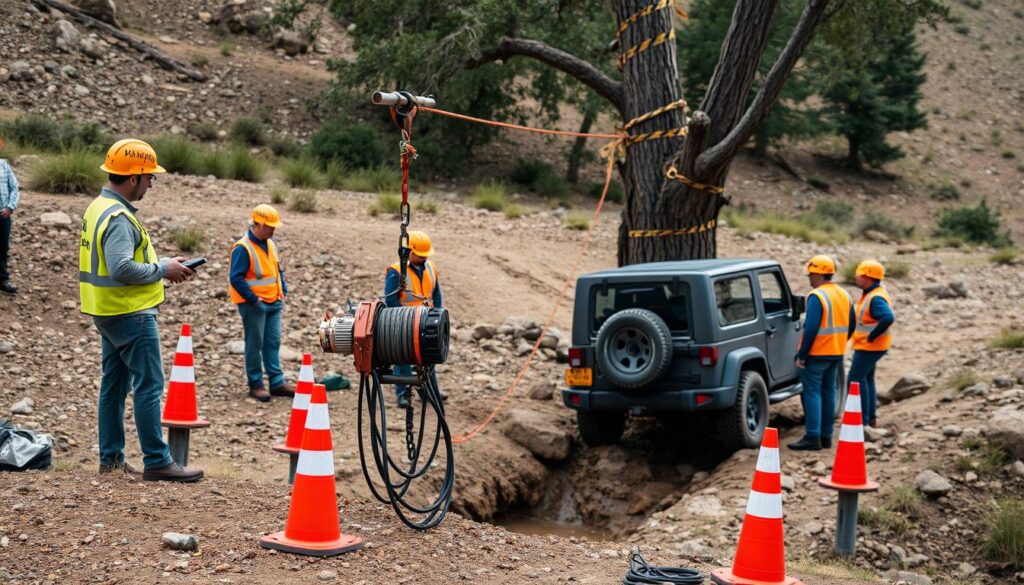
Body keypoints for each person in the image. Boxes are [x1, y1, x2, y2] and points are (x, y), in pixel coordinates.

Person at [79, 139, 202, 481]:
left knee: (114, 385)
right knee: (148, 384)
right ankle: (157, 461)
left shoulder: (98, 207)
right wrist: (163, 269)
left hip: (106, 311)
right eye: (150, 177)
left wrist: (162, 264)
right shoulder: (119, 217)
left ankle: (112, 459)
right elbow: (120, 267)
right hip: (130, 312)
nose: (151, 184)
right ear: (133, 178)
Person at [229, 205, 294, 402]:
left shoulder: (271, 243)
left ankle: (277, 382)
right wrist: (253, 299)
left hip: (274, 301)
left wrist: (282, 287)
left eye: (273, 227)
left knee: (272, 342)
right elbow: (236, 277)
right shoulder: (243, 247)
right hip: (255, 305)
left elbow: (276, 268)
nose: (272, 230)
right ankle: (255, 384)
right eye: (268, 226)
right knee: (254, 344)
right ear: (256, 224)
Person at [790, 255, 854, 451]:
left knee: (812, 393)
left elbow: (810, 328)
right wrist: (841, 341)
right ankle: (826, 437)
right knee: (829, 392)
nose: (809, 278)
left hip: (817, 354)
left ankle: (812, 437)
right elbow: (852, 324)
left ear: (818, 274)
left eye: (810, 274)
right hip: (836, 352)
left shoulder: (817, 296)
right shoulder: (844, 294)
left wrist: (802, 354)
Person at [384, 230, 442, 408]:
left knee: (427, 358)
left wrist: (438, 317)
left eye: (426, 255)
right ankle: (403, 394)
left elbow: (436, 294)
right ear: (409, 251)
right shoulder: (396, 271)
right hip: (404, 323)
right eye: (420, 255)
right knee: (403, 358)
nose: (424, 258)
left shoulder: (431, 268)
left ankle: (428, 391)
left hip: (426, 321)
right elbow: (390, 300)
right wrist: (405, 319)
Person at [849, 259, 894, 429]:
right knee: (867, 378)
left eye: (859, 275)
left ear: (868, 276)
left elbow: (888, 318)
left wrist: (872, 336)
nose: (856, 278)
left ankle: (863, 421)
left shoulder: (875, 298)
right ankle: (870, 418)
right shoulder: (872, 293)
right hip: (871, 346)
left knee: (855, 380)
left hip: (870, 347)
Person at [0, 132, 20, 294]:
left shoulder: (4, 166)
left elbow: (14, 188)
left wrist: (10, 207)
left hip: (3, 215)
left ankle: (2, 279)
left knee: (2, 248)